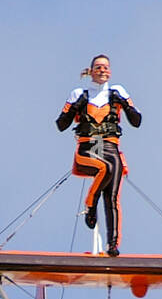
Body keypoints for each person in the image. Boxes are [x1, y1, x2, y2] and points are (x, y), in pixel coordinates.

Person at [54, 54, 142, 256]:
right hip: (89, 146)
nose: (102, 70)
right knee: (105, 168)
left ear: (110, 71)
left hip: (110, 145)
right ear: (91, 70)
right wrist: (75, 107)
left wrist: (125, 105)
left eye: (105, 67)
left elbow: (137, 121)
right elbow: (61, 125)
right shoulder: (79, 93)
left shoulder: (117, 91)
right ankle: (90, 204)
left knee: (112, 196)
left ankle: (112, 245)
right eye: (98, 67)